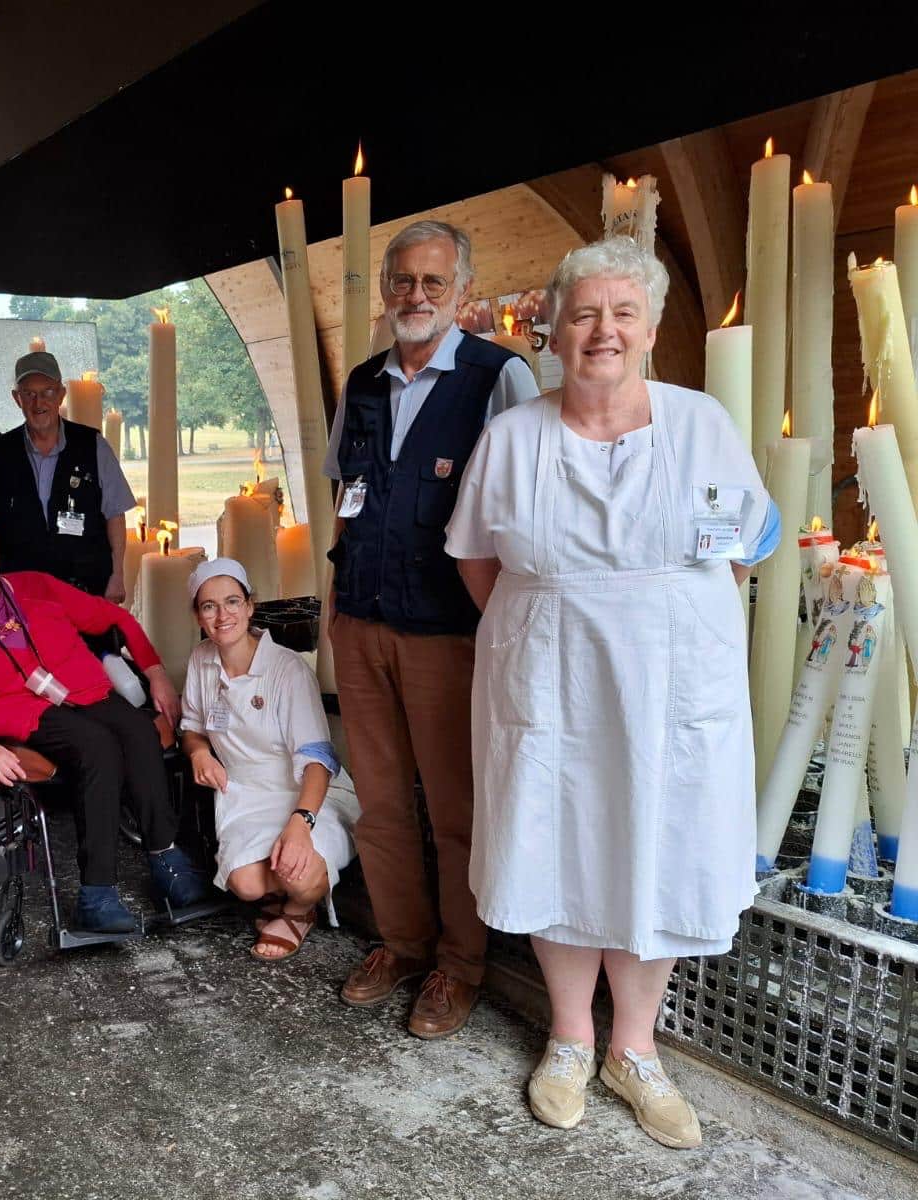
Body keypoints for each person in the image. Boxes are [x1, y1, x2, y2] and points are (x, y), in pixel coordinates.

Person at [445, 236, 778, 1149]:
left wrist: (662, 618)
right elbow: (478, 560)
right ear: (553, 327)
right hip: (549, 675)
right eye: (585, 312)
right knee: (552, 839)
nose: (603, 330)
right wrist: (553, 613)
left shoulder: (700, 421)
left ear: (652, 327)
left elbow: (741, 547)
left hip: (671, 679)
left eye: (622, 312)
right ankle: (569, 1037)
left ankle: (636, 1050)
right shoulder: (512, 435)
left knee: (656, 842)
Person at [326, 219, 541, 1039]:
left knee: (455, 811)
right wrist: (335, 604)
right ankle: (402, 943)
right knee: (380, 804)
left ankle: (459, 964)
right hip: (365, 624)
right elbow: (345, 497)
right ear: (385, 292)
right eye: (403, 282)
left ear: (464, 295)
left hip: (451, 634)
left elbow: (529, 509)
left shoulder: (499, 377)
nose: (416, 297)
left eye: (434, 284)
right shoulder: (361, 383)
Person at [0, 528, 209, 932]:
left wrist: (155, 671)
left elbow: (115, 617)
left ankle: (166, 858)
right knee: (97, 746)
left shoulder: (37, 587)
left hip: (89, 693)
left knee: (140, 731)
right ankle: (96, 895)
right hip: (27, 715)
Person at [179, 559, 360, 962]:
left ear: (250, 606)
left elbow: (318, 758)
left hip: (309, 793)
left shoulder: (286, 668)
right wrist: (200, 751)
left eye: (231, 602)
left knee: (299, 873)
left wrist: (302, 822)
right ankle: (285, 887)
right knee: (244, 884)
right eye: (209, 606)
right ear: (197, 615)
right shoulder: (200, 661)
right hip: (246, 794)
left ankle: (299, 911)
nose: (222, 615)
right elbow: (191, 726)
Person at [0, 351, 134, 603]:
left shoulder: (92, 444)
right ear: (17, 398)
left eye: (47, 392)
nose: (39, 403)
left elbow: (115, 514)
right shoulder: (0, 451)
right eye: (29, 394)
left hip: (87, 586)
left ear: (61, 394)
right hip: (23, 591)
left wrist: (117, 574)